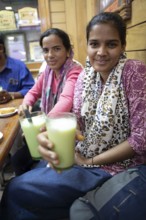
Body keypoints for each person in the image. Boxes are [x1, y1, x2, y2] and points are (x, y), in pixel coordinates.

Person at [0, 12, 146, 220]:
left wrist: (89, 160)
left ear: (123, 46)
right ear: (87, 46)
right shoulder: (86, 77)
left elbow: (141, 139)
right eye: (94, 44)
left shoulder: (134, 72)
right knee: (23, 174)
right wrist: (48, 135)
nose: (101, 52)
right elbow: (75, 120)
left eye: (111, 44)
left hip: (115, 167)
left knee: (17, 189)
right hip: (82, 155)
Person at [19, 28, 83, 115]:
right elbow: (33, 92)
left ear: (68, 50)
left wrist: (49, 121)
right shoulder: (48, 73)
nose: (50, 55)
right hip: (55, 121)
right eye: (46, 50)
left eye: (56, 49)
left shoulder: (75, 72)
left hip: (73, 124)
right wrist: (26, 103)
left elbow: (66, 99)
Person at [0, 33, 34, 104]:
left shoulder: (19, 66)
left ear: (1, 48)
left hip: (15, 110)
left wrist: (11, 95)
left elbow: (31, 89)